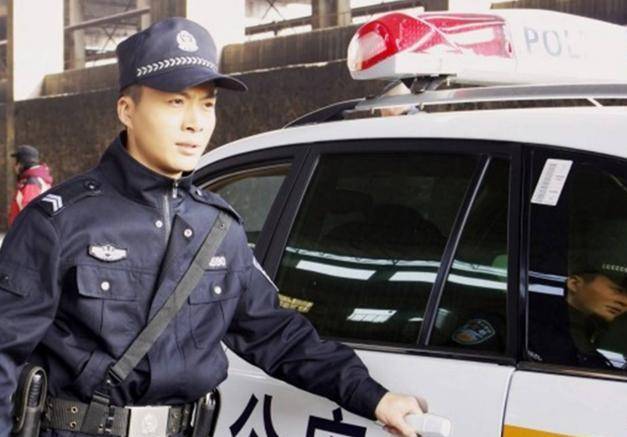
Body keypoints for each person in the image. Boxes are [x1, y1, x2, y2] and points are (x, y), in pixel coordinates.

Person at [0, 18, 426, 437]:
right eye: (175, 102)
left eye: (207, 104)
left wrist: (374, 397)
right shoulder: (60, 222)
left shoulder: (218, 228)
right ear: (126, 110)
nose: (196, 122)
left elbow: (275, 334)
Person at [529, 238, 627, 369]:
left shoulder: (585, 342)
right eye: (617, 290)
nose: (625, 302)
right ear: (574, 283)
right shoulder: (529, 329)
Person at [8, 145, 53, 226]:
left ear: (22, 163)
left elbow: (29, 213)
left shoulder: (32, 182)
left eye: (16, 162)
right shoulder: (38, 179)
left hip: (25, 231)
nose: (14, 166)